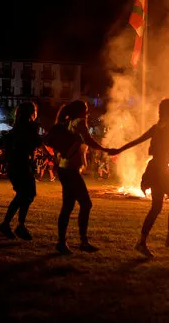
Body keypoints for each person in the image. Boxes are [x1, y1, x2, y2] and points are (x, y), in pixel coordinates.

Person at [122, 98, 169, 258]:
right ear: (168, 112)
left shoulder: (157, 128)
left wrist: (118, 149)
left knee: (158, 207)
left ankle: (145, 241)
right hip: (161, 171)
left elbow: (137, 141)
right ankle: (165, 239)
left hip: (157, 169)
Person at [49, 100, 128, 254]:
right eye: (85, 108)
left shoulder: (69, 122)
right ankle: (81, 241)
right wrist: (106, 149)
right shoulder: (79, 122)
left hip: (66, 168)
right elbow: (88, 140)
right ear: (80, 111)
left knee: (68, 207)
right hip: (70, 170)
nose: (88, 110)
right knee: (85, 204)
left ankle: (63, 242)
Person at [0, 102, 43, 240]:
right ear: (31, 112)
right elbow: (37, 142)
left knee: (23, 195)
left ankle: (9, 224)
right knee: (28, 194)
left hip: (15, 164)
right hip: (21, 164)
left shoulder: (17, 127)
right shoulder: (30, 126)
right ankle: (18, 225)